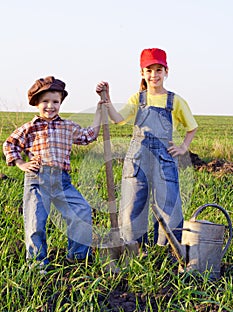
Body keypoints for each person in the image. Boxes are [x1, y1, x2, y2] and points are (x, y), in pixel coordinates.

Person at [96, 48, 198, 254]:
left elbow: (192, 127)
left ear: (166, 71)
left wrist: (183, 147)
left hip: (164, 160)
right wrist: (107, 101)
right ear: (142, 73)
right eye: (149, 70)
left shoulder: (174, 101)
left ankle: (168, 250)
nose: (154, 75)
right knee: (133, 203)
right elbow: (118, 119)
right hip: (138, 158)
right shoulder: (138, 98)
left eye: (159, 70)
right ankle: (134, 248)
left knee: (168, 204)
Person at [3, 76, 102, 271]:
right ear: (36, 103)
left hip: (62, 181)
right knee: (35, 222)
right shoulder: (30, 128)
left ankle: (78, 257)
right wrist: (21, 163)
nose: (50, 106)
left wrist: (100, 109)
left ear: (61, 103)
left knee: (81, 211)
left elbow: (89, 135)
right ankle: (38, 264)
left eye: (55, 101)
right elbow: (10, 144)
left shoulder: (67, 126)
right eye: (45, 101)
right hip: (37, 180)